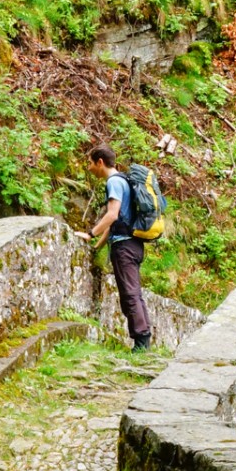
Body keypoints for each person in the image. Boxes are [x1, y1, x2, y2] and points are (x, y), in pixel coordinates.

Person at [81, 143, 153, 350]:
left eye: (90, 163)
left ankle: (141, 342)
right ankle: (143, 338)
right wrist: (97, 247)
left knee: (130, 294)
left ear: (100, 162)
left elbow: (112, 215)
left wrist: (89, 234)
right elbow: (115, 222)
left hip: (125, 247)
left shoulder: (113, 182)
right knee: (134, 293)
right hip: (133, 244)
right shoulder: (123, 180)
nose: (89, 168)